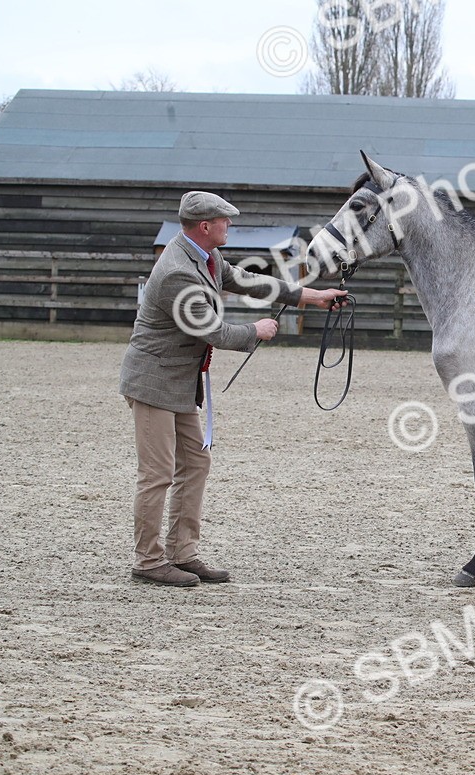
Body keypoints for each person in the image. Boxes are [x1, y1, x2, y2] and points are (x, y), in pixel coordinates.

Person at [119, 191, 347, 587]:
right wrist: (254, 331)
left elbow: (248, 281)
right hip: (154, 382)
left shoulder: (205, 257)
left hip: (179, 382)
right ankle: (148, 561)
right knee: (156, 474)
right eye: (225, 219)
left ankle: (182, 553)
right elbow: (210, 329)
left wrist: (313, 297)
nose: (230, 224)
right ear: (205, 226)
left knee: (194, 464)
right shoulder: (177, 270)